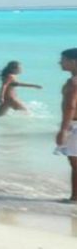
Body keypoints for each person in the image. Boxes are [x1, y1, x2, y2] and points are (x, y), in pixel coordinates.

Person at [55, 49, 77, 202]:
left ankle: (75, 197)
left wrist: (63, 130)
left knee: (75, 162)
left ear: (73, 61)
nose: (60, 63)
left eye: (63, 60)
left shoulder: (73, 82)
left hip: (74, 124)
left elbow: (70, 106)